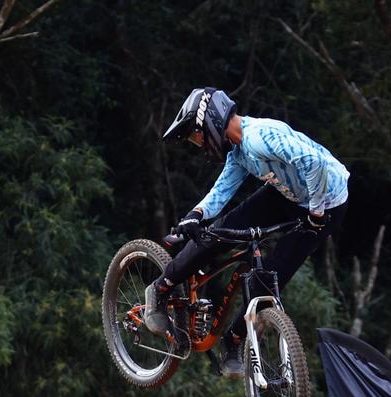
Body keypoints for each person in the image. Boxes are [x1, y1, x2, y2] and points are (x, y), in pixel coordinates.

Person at [149, 86, 351, 378]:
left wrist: (316, 211)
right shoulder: (240, 151)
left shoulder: (259, 137)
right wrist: (194, 216)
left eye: (196, 136)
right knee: (217, 234)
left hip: (325, 205)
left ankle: (233, 341)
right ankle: (159, 289)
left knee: (272, 278)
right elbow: (222, 191)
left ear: (211, 121)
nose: (200, 144)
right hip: (290, 197)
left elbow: (313, 163)